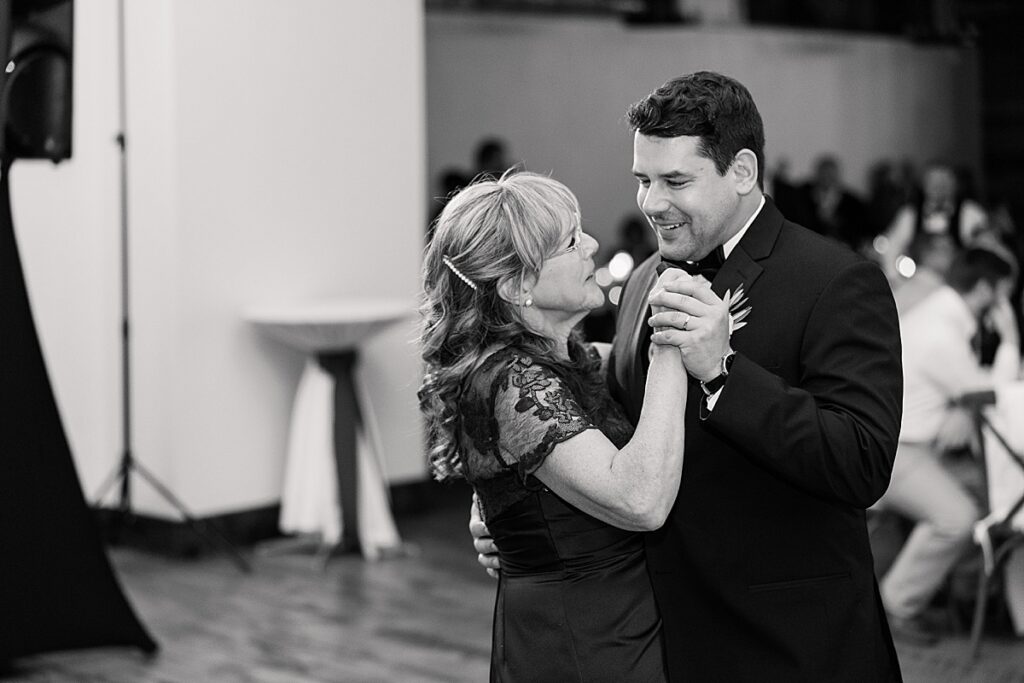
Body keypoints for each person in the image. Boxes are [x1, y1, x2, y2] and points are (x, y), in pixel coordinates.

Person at [472, 71, 905, 681]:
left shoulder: (834, 281)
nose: (651, 202)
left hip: (790, 640)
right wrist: (514, 509)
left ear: (743, 172)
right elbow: (601, 414)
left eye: (676, 180)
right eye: (643, 180)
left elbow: (863, 462)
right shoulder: (644, 279)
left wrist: (724, 373)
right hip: (661, 635)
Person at [420, 170, 692, 681]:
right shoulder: (513, 381)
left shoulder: (568, 357)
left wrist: (493, 506)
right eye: (570, 242)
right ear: (518, 284)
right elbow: (641, 500)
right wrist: (669, 349)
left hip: (613, 621)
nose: (591, 243)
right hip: (579, 642)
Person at [874, 246, 1020, 645]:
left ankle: (965, 594)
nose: (1007, 303)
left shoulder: (943, 316)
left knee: (986, 493)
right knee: (958, 517)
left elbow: (967, 391)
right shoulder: (941, 330)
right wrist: (1009, 341)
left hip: (916, 446)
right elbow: (986, 395)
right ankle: (898, 604)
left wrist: (958, 403)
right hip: (896, 451)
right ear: (987, 290)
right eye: (1005, 293)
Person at [879, 160, 988, 285]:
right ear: (924, 185)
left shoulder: (971, 213)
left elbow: (983, 251)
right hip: (919, 285)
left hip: (957, 286)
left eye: (944, 182)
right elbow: (891, 248)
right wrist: (896, 280)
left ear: (955, 184)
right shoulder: (909, 214)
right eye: (934, 183)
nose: (939, 187)